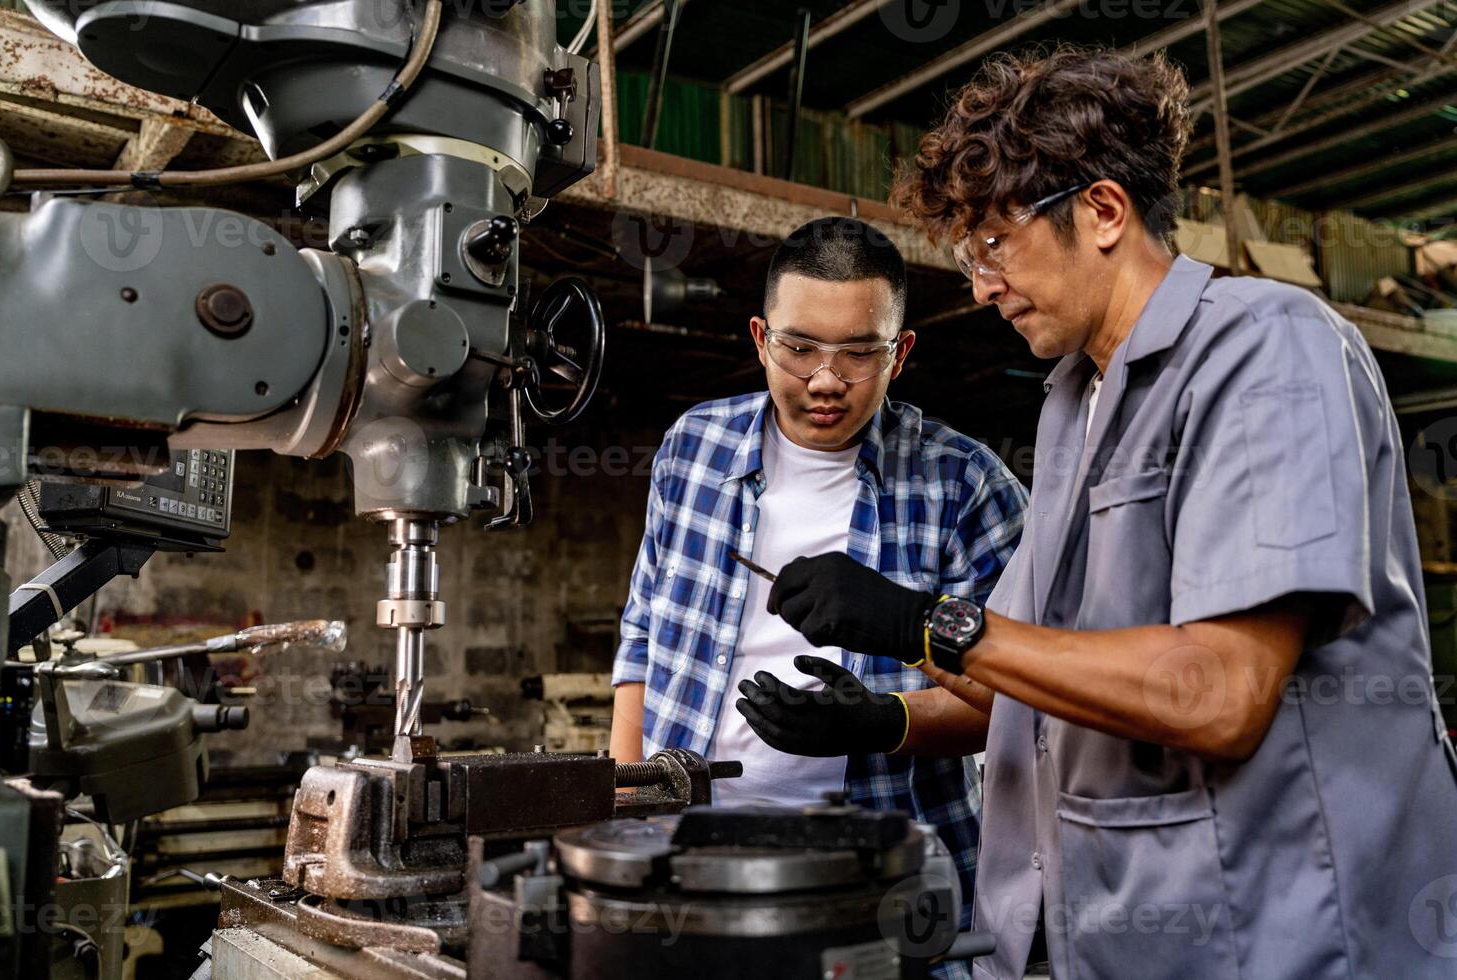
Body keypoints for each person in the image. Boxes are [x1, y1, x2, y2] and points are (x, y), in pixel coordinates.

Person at [739, 48, 1457, 978]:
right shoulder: (1074, 401)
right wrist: (887, 708)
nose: (983, 284)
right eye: (969, 256)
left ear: (1104, 211)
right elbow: (1030, 679)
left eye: (995, 245)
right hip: (1110, 943)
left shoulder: (1269, 352)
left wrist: (924, 621)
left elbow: (1221, 693)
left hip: (1280, 936)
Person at [609, 216, 1028, 957]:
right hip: (690, 859)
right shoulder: (693, 448)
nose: (826, 380)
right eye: (799, 348)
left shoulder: (967, 484)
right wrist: (624, 812)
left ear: (899, 354)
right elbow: (642, 632)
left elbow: (1026, 699)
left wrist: (881, 721)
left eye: (858, 353)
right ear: (760, 338)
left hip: (884, 882)